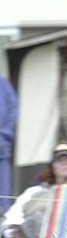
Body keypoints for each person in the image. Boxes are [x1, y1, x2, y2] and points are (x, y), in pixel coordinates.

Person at [1, 142, 67, 238]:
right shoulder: (34, 191)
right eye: (59, 160)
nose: (65, 163)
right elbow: (10, 221)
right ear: (52, 166)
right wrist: (25, 233)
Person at [0, 74, 18, 213]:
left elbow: (13, 109)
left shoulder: (2, 83)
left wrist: (5, 135)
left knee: (2, 198)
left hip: (1, 150)